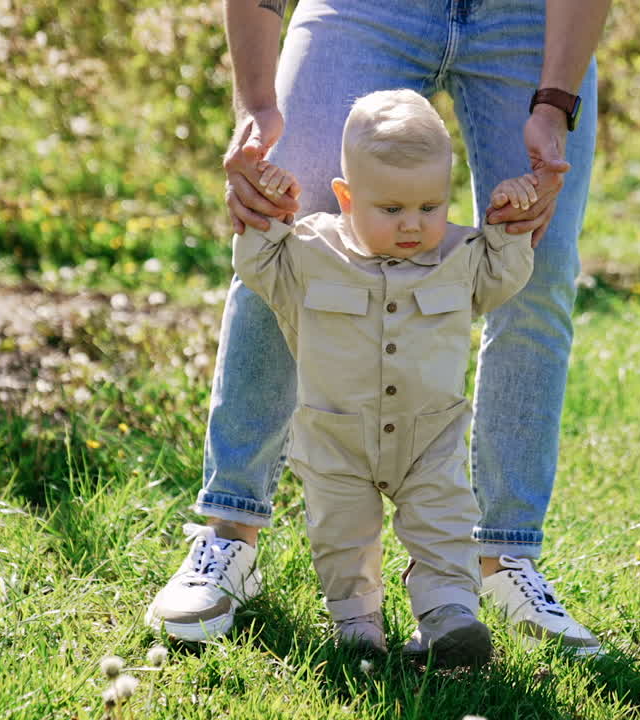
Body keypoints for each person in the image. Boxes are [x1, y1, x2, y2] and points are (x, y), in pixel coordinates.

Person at [145, 0, 609, 656]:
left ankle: (505, 559)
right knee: (283, 217)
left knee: (539, 256)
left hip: (530, 18)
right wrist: (254, 102)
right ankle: (228, 533)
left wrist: (553, 104)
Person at [228, 89, 541, 664]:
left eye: (430, 207)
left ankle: (449, 616)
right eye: (391, 210)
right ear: (346, 197)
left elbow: (503, 278)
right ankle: (357, 622)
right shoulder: (308, 251)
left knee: (445, 520)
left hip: (430, 434)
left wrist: (513, 224)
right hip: (336, 435)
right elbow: (256, 264)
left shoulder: (462, 254)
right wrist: (267, 211)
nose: (413, 225)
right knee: (341, 535)